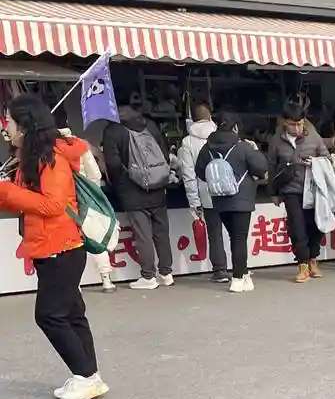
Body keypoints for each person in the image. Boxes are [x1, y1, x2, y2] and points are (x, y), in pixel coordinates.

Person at [0, 94, 108, 399]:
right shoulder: (31, 158)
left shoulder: (52, 158)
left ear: (25, 126)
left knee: (49, 315)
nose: (5, 128)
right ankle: (90, 376)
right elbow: (27, 203)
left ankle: (85, 375)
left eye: (9, 121)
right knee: (72, 314)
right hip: (50, 247)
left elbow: (53, 205)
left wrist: (6, 190)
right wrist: (7, 190)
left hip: (61, 248)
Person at [102, 94, 174, 290]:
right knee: (161, 232)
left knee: (143, 234)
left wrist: (120, 182)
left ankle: (148, 276)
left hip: (132, 191)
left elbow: (113, 164)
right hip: (158, 187)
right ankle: (166, 273)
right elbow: (164, 155)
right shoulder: (149, 124)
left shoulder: (112, 130)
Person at [193, 111, 268, 292]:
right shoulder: (243, 147)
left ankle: (244, 275)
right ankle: (238, 278)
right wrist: (255, 150)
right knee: (239, 239)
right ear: (235, 127)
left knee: (234, 237)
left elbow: (200, 171)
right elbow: (261, 168)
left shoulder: (207, 148)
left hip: (219, 200)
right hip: (242, 199)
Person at [56, 105, 115, 293]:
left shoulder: (48, 148)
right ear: (67, 121)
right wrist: (91, 194)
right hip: (84, 201)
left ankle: (75, 285)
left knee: (69, 244)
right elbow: (95, 174)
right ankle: (106, 280)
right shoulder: (80, 144)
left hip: (62, 203)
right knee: (94, 236)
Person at [267, 100, 329, 282]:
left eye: (300, 124)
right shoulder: (276, 141)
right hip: (291, 189)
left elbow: (326, 158)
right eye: (293, 124)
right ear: (284, 122)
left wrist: (315, 162)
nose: (297, 128)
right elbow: (272, 167)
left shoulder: (313, 137)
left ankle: (313, 259)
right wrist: (273, 192)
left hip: (313, 188)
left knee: (315, 225)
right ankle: (302, 264)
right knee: (297, 227)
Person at [177, 102, 228, 284]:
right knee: (235, 231)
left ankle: (220, 270)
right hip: (229, 191)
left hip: (206, 193)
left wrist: (194, 202)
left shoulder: (187, 142)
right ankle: (240, 268)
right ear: (210, 116)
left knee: (214, 233)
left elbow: (188, 175)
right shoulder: (223, 135)